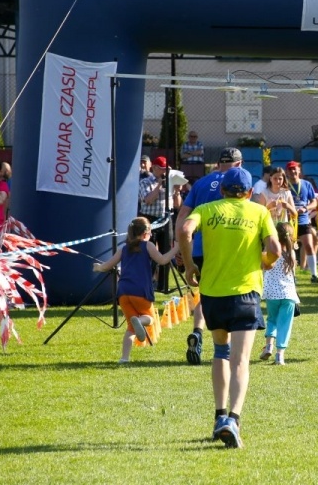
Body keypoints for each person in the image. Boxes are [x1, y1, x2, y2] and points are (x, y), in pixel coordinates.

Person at [178, 166, 281, 449]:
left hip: (212, 293)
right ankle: (233, 420)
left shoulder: (207, 209)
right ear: (249, 193)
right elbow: (275, 249)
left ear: (222, 190)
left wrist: (189, 266)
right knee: (241, 360)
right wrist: (266, 261)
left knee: (220, 352)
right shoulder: (259, 212)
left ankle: (219, 416)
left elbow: (184, 229)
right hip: (245, 294)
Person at [175, 147, 242, 365]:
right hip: (226, 248)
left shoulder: (201, 183)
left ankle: (197, 332)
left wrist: (179, 246)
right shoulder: (238, 183)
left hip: (198, 250)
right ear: (239, 165)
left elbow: (183, 215)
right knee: (230, 297)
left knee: (205, 296)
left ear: (218, 164)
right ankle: (223, 348)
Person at [93, 217, 178, 363]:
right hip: (140, 291)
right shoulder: (148, 245)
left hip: (123, 293)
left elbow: (107, 266)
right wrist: (177, 248)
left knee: (131, 328)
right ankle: (139, 320)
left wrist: (98, 267)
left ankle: (124, 358)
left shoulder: (124, 249)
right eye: (150, 233)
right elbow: (163, 260)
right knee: (150, 319)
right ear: (145, 233)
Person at [259, 221, 300, 366]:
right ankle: (280, 355)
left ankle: (269, 346)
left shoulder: (270, 253)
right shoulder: (291, 254)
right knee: (284, 325)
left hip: (272, 293)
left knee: (272, 319)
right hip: (288, 294)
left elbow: (263, 265)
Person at [285, 161, 318, 283]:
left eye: (294, 169)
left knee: (309, 246)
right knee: (289, 249)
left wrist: (305, 208)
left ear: (299, 170)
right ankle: (291, 276)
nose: (292, 171)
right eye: (290, 169)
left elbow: (314, 202)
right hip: (289, 221)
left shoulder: (306, 184)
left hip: (304, 220)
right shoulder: (285, 185)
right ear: (287, 172)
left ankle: (314, 275)